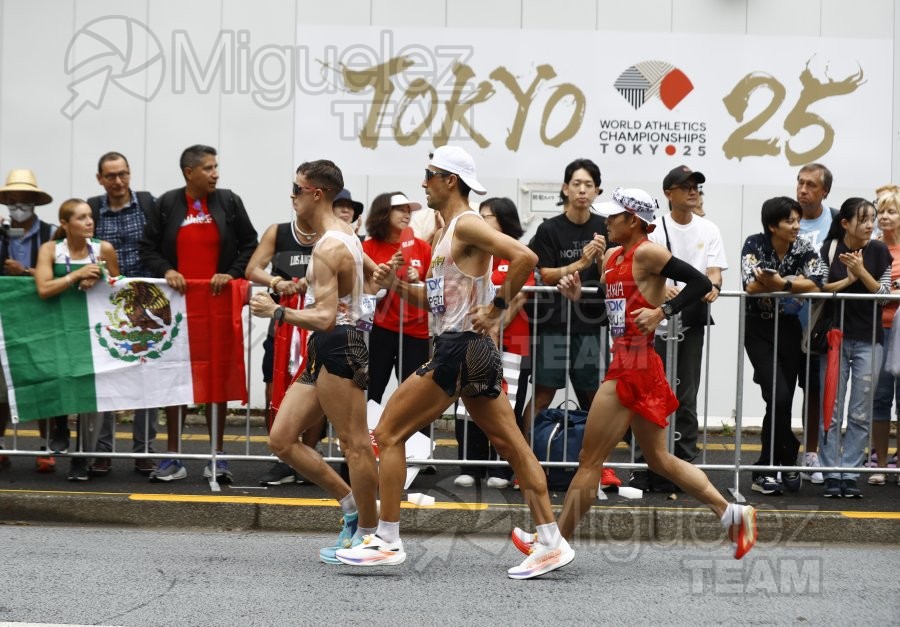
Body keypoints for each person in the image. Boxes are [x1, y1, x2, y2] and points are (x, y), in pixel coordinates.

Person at [336, 145, 575, 580]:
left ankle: (386, 540)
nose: (423, 182)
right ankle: (551, 540)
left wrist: (499, 305)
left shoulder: (467, 224)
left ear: (450, 180)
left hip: (460, 349)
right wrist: (396, 286)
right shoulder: (448, 233)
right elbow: (436, 300)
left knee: (388, 432)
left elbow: (526, 257)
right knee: (514, 447)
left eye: (429, 174)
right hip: (472, 350)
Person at [511, 187, 757, 561]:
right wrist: (579, 297)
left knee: (590, 461)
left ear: (635, 221)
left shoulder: (648, 252)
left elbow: (702, 283)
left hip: (635, 365)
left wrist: (662, 312)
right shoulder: (611, 256)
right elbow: (613, 309)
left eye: (614, 216)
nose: (606, 221)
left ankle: (552, 543)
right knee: (659, 459)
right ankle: (732, 513)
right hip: (627, 361)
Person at [249, 159, 379, 564]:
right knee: (282, 438)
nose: (291, 197)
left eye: (296, 189)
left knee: (355, 445)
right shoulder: (340, 237)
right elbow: (360, 286)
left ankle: (374, 537)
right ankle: (352, 509)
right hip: (328, 345)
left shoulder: (328, 245)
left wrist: (276, 311)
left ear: (315, 193)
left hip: (339, 342)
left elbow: (324, 317)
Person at [139, 144, 258, 483]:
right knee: (174, 380)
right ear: (188, 172)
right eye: (208, 168)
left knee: (217, 380)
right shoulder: (166, 204)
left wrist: (232, 273)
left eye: (216, 167)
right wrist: (166, 270)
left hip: (217, 307)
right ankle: (173, 458)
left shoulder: (229, 202)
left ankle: (217, 457)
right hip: (176, 312)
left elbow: (250, 245)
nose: (215, 174)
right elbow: (147, 247)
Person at [630, 165, 726, 493]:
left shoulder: (709, 229)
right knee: (649, 396)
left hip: (692, 321)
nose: (693, 190)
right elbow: (647, 271)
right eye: (685, 186)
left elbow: (714, 273)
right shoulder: (655, 230)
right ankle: (645, 466)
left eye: (696, 185)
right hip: (654, 324)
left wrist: (712, 286)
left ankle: (686, 466)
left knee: (685, 396)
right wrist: (664, 292)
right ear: (668, 193)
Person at [525, 158, 619, 489]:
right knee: (544, 393)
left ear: (597, 191)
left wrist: (603, 260)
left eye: (588, 185)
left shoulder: (606, 227)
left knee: (594, 398)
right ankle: (522, 462)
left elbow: (613, 273)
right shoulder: (550, 229)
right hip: (554, 323)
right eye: (576, 184)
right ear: (565, 189)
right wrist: (583, 261)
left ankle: (598, 465)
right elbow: (544, 273)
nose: (582, 190)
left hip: (590, 324)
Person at [740, 197, 827, 495]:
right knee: (777, 394)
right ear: (772, 225)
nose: (796, 226)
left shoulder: (802, 247)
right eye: (790, 221)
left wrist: (781, 283)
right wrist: (791, 281)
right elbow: (749, 285)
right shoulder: (754, 244)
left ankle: (775, 466)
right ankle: (776, 461)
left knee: (783, 399)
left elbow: (817, 281)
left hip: (790, 329)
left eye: (797, 220)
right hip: (759, 328)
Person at [33, 198, 120, 481]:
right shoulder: (50, 249)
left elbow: (118, 288)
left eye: (90, 216)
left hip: (92, 330)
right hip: (57, 327)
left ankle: (81, 456)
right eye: (81, 218)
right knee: (57, 378)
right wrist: (78, 274)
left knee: (88, 395)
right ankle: (59, 424)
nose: (89, 222)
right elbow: (44, 288)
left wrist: (101, 275)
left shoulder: (103, 249)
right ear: (64, 224)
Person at [245, 187, 325, 486]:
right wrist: (277, 282)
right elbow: (252, 269)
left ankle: (308, 456)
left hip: (316, 323)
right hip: (282, 324)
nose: (295, 201)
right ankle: (283, 459)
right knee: (272, 389)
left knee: (316, 392)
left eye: (299, 195)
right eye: (292, 197)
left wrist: (312, 279)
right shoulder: (278, 232)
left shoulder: (330, 235)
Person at [86, 152, 158, 476]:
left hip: (147, 301)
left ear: (130, 175)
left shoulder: (147, 204)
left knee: (147, 377)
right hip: (106, 304)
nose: (118, 181)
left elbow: (158, 247)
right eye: (111, 176)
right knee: (107, 376)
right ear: (100, 179)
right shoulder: (91, 210)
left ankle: (144, 451)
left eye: (123, 174)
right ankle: (103, 451)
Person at [454, 197, 532, 489]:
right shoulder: (477, 250)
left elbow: (521, 293)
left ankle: (502, 467)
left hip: (514, 340)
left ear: (504, 219)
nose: (481, 219)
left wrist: (496, 321)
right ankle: (471, 465)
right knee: (471, 400)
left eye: (487, 215)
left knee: (508, 405)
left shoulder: (514, 251)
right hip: (477, 337)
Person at [819, 198, 891, 498]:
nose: (869, 224)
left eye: (871, 218)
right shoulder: (831, 248)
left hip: (869, 338)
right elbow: (819, 287)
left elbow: (884, 294)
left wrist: (860, 272)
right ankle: (829, 472)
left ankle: (850, 472)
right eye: (862, 219)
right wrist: (848, 279)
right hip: (834, 338)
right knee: (831, 409)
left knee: (861, 410)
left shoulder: (879, 251)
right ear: (845, 222)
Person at [0, 169, 69, 472]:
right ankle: (1, 444)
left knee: (43, 381)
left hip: (42, 316)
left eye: (23, 200)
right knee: (2, 384)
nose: (17, 206)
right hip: (5, 318)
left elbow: (57, 274)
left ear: (34, 202)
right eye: (11, 201)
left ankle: (46, 446)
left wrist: (25, 273)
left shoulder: (51, 235)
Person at [362, 192, 431, 406]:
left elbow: (433, 288)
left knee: (414, 397)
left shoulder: (423, 247)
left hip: (417, 331)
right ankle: (367, 437)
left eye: (409, 211)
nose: (407, 215)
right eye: (401, 209)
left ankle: (414, 439)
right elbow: (367, 292)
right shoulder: (369, 247)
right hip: (381, 329)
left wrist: (417, 279)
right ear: (384, 212)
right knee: (372, 389)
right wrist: (389, 268)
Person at [795, 163, 836, 484]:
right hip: (785, 321)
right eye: (800, 182)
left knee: (816, 390)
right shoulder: (786, 216)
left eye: (811, 185)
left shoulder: (835, 222)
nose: (803, 189)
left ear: (825, 191)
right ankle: (781, 453)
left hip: (820, 324)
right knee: (779, 393)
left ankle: (813, 452)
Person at [871, 185, 900, 486]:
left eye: (891, 211)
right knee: (880, 398)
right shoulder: (874, 248)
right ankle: (878, 462)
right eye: (881, 212)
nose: (884, 217)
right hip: (878, 329)